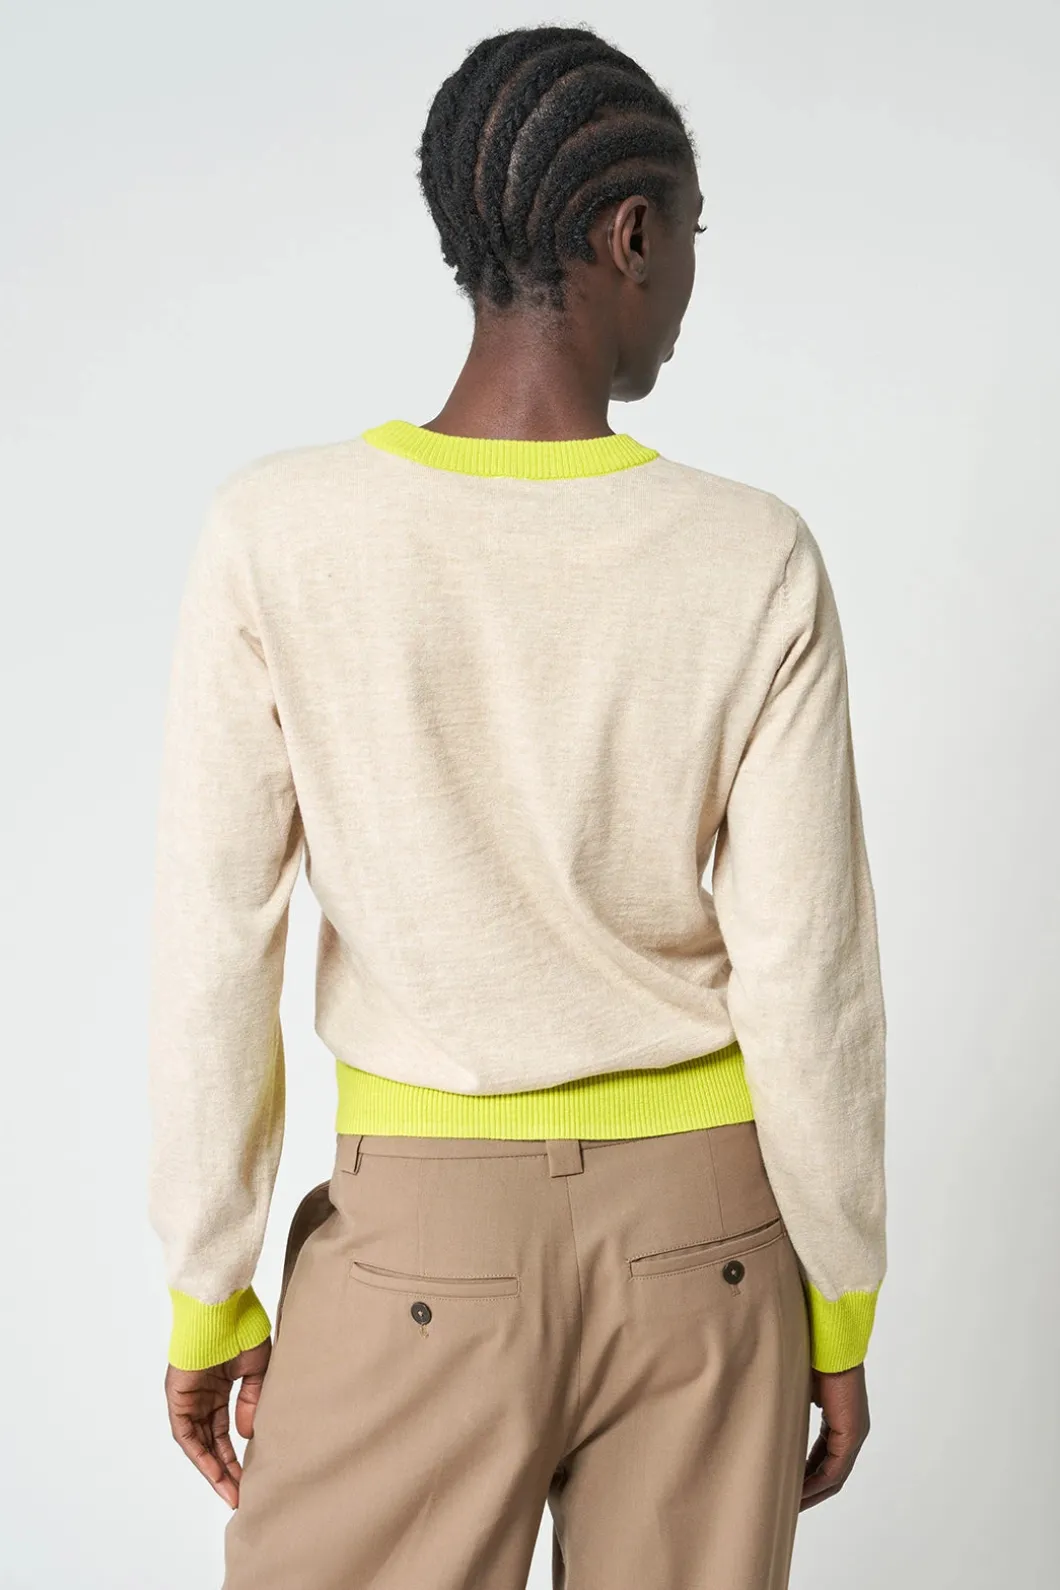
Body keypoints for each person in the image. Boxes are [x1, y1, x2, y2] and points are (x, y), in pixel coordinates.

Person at [148, 22, 887, 1590]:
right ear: (631, 236)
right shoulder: (751, 555)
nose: (690, 277)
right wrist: (839, 1295)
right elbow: (807, 976)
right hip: (709, 1247)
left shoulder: (279, 533)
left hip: (419, 1245)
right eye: (690, 233)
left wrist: (210, 1290)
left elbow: (214, 945)